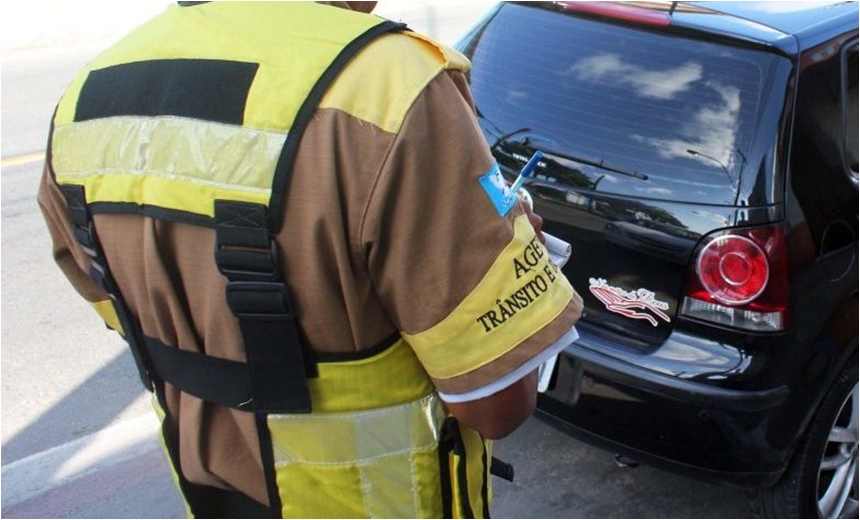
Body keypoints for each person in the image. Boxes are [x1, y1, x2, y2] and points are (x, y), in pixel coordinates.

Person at [38, 1, 584, 518]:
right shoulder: (388, 86)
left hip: (209, 497)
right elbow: (497, 406)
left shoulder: (85, 99)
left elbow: (120, 308)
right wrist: (510, 249)